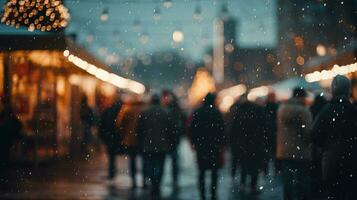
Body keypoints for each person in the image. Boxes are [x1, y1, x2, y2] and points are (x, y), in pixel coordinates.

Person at [311, 75, 357, 199]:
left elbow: (314, 135)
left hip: (331, 163)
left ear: (333, 91)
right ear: (348, 90)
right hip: (352, 162)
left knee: (334, 194)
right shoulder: (353, 110)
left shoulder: (326, 111)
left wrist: (325, 147)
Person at [276, 87, 313, 200]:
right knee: (302, 181)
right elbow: (306, 132)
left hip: (285, 151)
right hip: (301, 151)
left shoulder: (282, 109)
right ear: (301, 97)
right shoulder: (304, 111)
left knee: (288, 181)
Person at [190, 93, 225, 200]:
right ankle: (213, 194)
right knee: (214, 172)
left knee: (201, 171)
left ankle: (202, 194)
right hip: (214, 146)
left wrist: (194, 142)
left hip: (201, 146)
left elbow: (193, 129)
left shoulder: (198, 112)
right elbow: (221, 129)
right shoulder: (216, 112)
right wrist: (222, 144)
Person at [137, 94, 173, 198]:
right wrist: (170, 143)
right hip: (162, 145)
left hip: (148, 144)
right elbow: (171, 130)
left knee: (150, 165)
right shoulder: (166, 112)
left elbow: (139, 130)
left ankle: (153, 183)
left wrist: (140, 143)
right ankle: (157, 184)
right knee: (160, 165)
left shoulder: (144, 112)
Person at [230, 96, 266, 193]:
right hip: (255, 144)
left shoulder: (238, 112)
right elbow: (263, 128)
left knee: (243, 165)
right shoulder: (257, 111)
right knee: (255, 166)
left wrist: (234, 143)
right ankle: (253, 186)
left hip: (242, 144)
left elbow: (234, 130)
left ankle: (242, 184)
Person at [161, 90, 185, 190]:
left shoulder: (170, 109)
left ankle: (171, 181)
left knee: (169, 162)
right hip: (169, 139)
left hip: (170, 140)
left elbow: (180, 122)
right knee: (168, 162)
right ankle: (163, 181)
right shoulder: (175, 109)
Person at [117, 100, 144, 189]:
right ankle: (144, 180)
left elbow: (119, 124)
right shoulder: (143, 110)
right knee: (144, 160)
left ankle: (133, 181)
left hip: (130, 140)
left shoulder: (126, 110)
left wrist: (124, 134)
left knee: (132, 161)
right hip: (142, 140)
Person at [309, 93, 328, 198]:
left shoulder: (311, 110)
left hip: (315, 149)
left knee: (315, 172)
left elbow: (313, 132)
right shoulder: (325, 111)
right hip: (325, 149)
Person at [98, 100, 122, 180]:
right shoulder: (121, 112)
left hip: (109, 137)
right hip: (117, 137)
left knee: (111, 156)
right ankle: (112, 171)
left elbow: (101, 124)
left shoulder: (107, 112)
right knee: (113, 155)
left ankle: (111, 172)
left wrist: (102, 136)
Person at [0, 102, 22, 168]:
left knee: (5, 149)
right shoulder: (11, 118)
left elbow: (18, 126)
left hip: (7, 136)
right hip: (7, 136)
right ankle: (5, 162)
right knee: (5, 149)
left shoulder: (9, 118)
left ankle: (5, 162)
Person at [264, 92, 279, 175]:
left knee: (268, 154)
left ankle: (266, 170)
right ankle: (275, 170)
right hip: (274, 133)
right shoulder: (277, 107)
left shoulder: (265, 107)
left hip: (268, 133)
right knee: (274, 154)